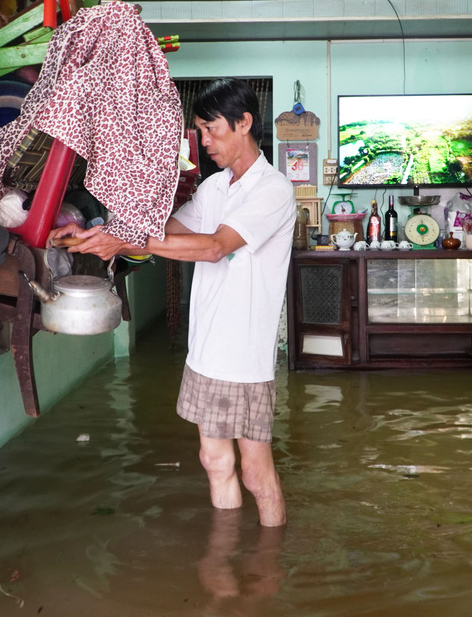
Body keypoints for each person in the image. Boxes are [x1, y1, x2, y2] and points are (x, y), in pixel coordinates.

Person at [49, 78, 296, 527]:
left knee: (257, 472)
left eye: (211, 129)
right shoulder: (216, 187)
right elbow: (169, 233)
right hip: (205, 351)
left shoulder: (272, 190)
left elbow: (216, 247)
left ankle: (266, 571)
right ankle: (227, 561)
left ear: (244, 123)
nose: (204, 141)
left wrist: (133, 240)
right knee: (213, 460)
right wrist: (98, 234)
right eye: (198, 131)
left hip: (242, 356)